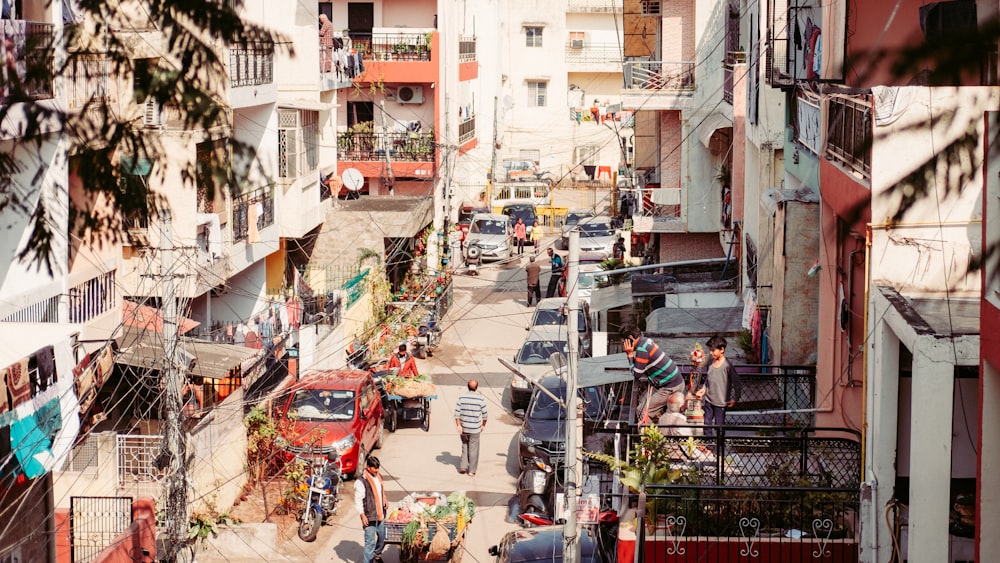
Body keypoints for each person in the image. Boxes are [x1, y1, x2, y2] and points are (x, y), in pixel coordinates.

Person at [621, 323, 683, 424]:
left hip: (670, 386)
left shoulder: (642, 349)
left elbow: (636, 374)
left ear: (630, 338)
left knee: (642, 411)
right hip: (670, 381)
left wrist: (630, 355)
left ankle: (649, 438)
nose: (624, 343)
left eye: (624, 340)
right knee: (641, 401)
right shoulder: (646, 341)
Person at [694, 335, 742, 436]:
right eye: (710, 350)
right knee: (707, 424)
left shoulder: (727, 366)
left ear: (722, 350)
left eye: (713, 350)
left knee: (719, 426)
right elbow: (709, 378)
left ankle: (719, 448)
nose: (711, 353)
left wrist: (735, 398)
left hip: (720, 403)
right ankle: (709, 447)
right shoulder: (710, 363)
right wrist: (704, 389)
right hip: (708, 400)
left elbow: (737, 383)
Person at [354, 455, 388, 563]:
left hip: (380, 514)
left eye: (378, 468)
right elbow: (358, 500)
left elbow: (380, 491)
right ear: (368, 467)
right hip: (369, 516)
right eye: (374, 468)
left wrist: (385, 499)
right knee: (370, 543)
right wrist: (362, 515)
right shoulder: (361, 481)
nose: (377, 470)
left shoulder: (378, 477)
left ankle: (377, 554)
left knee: (382, 537)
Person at [454, 379, 487, 476]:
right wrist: (483, 425)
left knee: (465, 446)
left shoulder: (461, 398)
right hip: (475, 429)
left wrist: (458, 425)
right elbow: (485, 415)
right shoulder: (480, 399)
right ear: (476, 387)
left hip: (464, 428)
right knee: (474, 448)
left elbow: (456, 414)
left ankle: (463, 467)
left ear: (467, 387)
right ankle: (472, 471)